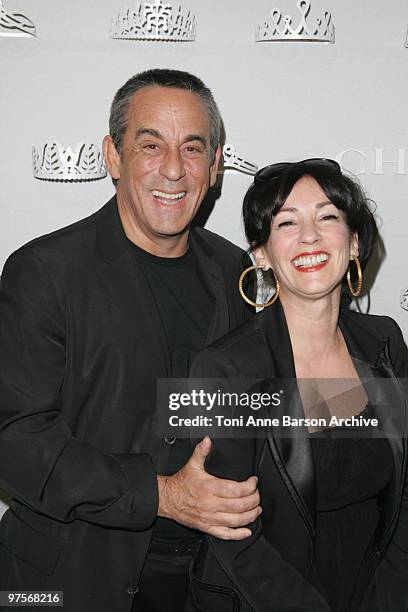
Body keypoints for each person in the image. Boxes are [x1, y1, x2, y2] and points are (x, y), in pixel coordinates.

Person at [0, 69, 261, 612]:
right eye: (150, 145)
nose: (173, 169)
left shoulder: (237, 272)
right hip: (71, 580)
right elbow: (16, 438)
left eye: (193, 148)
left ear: (215, 167)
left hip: (208, 582)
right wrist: (163, 495)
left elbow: (267, 404)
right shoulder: (44, 272)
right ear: (113, 157)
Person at [188, 158, 408, 611]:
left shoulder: (384, 341)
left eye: (328, 217)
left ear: (353, 242)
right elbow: (234, 535)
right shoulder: (228, 369)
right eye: (287, 222)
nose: (309, 236)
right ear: (262, 254)